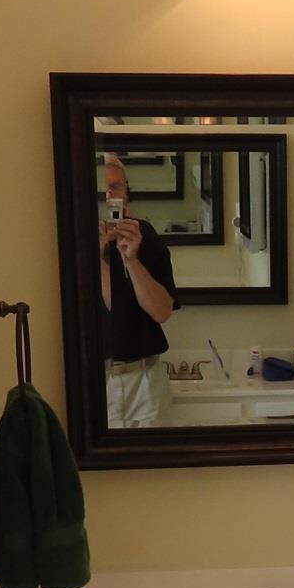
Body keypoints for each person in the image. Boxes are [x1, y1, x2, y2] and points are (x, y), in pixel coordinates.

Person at [98, 154, 178, 426]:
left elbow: (161, 311)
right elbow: (111, 305)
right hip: (94, 385)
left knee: (156, 468)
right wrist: (97, 256)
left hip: (144, 382)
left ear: (126, 193)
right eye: (102, 186)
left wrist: (131, 259)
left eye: (116, 186)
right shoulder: (67, 240)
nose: (109, 193)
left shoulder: (146, 238)